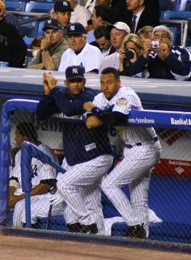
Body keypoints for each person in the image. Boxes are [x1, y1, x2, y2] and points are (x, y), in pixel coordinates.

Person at [83, 67, 162, 238]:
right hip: (132, 149)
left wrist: (97, 111)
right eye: (102, 83)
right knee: (138, 198)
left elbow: (114, 118)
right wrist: (99, 113)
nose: (105, 87)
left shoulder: (126, 94)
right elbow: (90, 122)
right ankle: (142, 240)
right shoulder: (102, 97)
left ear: (118, 83)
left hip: (146, 147)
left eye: (109, 83)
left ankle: (135, 225)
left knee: (109, 184)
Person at [36, 66, 113, 234]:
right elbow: (41, 114)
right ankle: (98, 238)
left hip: (95, 156)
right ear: (67, 82)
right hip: (77, 160)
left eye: (79, 80)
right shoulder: (61, 96)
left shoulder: (90, 95)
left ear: (84, 82)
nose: (76, 84)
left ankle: (89, 223)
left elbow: (70, 109)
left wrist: (55, 90)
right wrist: (48, 93)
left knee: (64, 184)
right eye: (72, 81)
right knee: (92, 202)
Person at [8, 122, 64, 228]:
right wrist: (10, 196)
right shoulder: (20, 154)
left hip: (41, 195)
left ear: (25, 138)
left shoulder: (44, 153)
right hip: (23, 193)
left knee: (21, 207)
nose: (15, 139)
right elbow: (15, 180)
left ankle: (18, 238)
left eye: (17, 136)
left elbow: (46, 185)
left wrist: (19, 198)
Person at [0, 0, 27, 68]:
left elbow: (21, 48)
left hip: (6, 66)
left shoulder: (8, 27)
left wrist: (14, 67)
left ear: (1, 12)